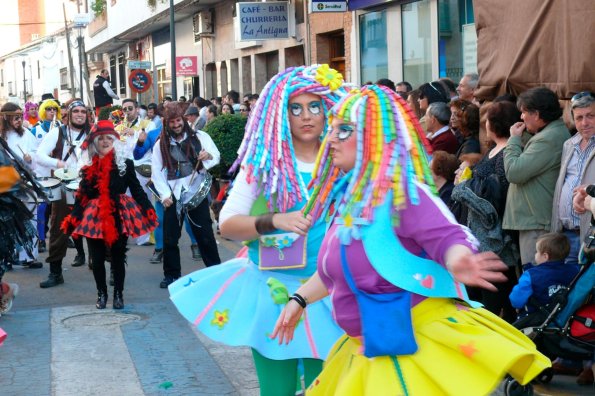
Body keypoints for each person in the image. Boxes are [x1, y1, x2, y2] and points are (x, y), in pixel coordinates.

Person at [272, 85, 550, 395]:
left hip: (409, 348)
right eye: (333, 130)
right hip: (366, 349)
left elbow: (448, 235)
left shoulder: (403, 192)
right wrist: (299, 301)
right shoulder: (350, 198)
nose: (331, 139)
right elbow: (332, 272)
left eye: (344, 130)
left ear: (371, 138)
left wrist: (458, 259)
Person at [168, 65, 347, 396]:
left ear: (328, 111)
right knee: (276, 390)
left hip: (331, 294)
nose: (306, 116)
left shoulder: (345, 161)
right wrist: (274, 221)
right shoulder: (264, 164)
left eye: (314, 107)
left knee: (330, 388)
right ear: (281, 115)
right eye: (296, 108)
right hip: (274, 291)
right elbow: (228, 224)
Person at [61, 121, 157, 309]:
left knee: (118, 257)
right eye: (101, 139)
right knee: (96, 260)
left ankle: (118, 294)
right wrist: (73, 219)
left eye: (109, 138)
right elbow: (82, 196)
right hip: (94, 216)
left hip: (119, 213)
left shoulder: (125, 163)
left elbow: (136, 189)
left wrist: (147, 209)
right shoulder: (89, 166)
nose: (105, 142)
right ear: (95, 142)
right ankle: (101, 294)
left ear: (115, 140)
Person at [451, 101, 521, 322]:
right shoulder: (493, 150)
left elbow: (499, 192)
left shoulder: (508, 151)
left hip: (496, 235)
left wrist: (464, 190)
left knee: (496, 297)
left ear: (494, 124)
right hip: (481, 234)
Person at [151, 101, 221, 288]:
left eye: (178, 121)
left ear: (183, 119)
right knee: (170, 238)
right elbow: (156, 172)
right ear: (167, 123)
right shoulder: (161, 145)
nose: (176, 125)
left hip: (196, 192)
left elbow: (216, 155)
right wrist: (165, 195)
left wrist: (208, 157)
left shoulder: (200, 137)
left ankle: (215, 272)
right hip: (173, 195)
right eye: (172, 122)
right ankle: (171, 275)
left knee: (205, 234)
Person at [503, 87, 570, 266]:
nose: (522, 117)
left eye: (524, 112)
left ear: (537, 114)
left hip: (537, 223)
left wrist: (514, 140)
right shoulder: (549, 134)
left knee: (535, 277)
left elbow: (514, 172)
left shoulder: (547, 139)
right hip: (536, 220)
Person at [36, 100, 91, 288]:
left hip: (89, 187)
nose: (80, 114)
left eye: (83, 111)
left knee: (99, 227)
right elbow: (40, 155)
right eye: (76, 111)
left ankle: (110, 269)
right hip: (62, 186)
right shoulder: (57, 132)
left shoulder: (93, 133)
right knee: (59, 229)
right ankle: (55, 273)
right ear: (68, 114)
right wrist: (57, 164)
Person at [551, 92, 595, 266]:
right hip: (566, 235)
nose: (584, 123)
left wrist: (590, 189)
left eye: (590, 116)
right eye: (579, 118)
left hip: (591, 235)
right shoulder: (569, 144)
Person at [0, 103, 42, 268]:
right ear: (5, 118)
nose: (19, 120)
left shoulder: (26, 134)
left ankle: (29, 256)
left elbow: (37, 152)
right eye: (15, 117)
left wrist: (30, 157)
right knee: (6, 221)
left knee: (30, 218)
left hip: (25, 181)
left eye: (20, 117)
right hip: (5, 183)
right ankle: (6, 257)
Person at [115, 98, 155, 247]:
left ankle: (145, 236)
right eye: (124, 109)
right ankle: (127, 231)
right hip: (124, 169)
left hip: (142, 168)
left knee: (143, 200)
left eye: (130, 108)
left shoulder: (147, 124)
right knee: (125, 202)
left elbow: (151, 138)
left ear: (137, 109)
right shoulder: (118, 127)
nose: (127, 112)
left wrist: (135, 132)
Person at [509, 233, 577, 315]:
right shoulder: (574, 270)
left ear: (545, 256)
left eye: (537, 252)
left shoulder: (530, 275)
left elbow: (516, 301)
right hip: (564, 316)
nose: (535, 254)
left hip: (536, 319)